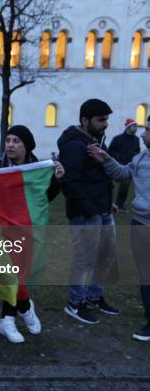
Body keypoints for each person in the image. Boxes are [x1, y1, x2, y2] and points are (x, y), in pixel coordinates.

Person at [0, 125, 64, 343]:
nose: (11, 145)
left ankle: (7, 320)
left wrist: (57, 179)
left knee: (15, 274)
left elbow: (45, 198)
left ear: (26, 146)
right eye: (8, 140)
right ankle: (24, 307)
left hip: (25, 231)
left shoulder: (37, 169)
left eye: (16, 141)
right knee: (6, 274)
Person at [58, 98, 119, 325]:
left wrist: (106, 204)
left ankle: (94, 297)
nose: (105, 124)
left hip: (103, 211)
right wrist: (91, 210)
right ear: (85, 120)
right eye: (101, 119)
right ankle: (75, 303)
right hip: (85, 214)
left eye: (106, 119)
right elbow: (70, 182)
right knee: (83, 259)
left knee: (105, 256)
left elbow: (97, 178)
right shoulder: (74, 145)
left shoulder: (96, 141)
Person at [88, 120, 150, 341]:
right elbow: (123, 174)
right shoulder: (141, 158)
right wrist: (105, 158)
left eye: (148, 130)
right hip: (140, 223)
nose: (143, 135)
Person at [107, 118, 140, 212]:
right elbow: (110, 151)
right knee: (108, 185)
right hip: (116, 165)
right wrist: (118, 159)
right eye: (134, 126)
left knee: (125, 188)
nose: (136, 128)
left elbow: (137, 151)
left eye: (136, 126)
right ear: (128, 127)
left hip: (129, 167)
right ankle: (107, 204)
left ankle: (119, 206)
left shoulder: (136, 140)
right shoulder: (117, 139)